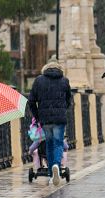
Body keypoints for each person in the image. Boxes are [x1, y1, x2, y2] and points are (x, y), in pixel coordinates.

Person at [28, 56, 72, 186]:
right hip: (59, 118)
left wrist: (37, 116)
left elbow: (31, 101)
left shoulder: (39, 81)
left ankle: (52, 171)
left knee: (49, 143)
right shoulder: (64, 81)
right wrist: (63, 110)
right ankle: (56, 167)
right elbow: (69, 100)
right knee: (58, 143)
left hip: (45, 119)